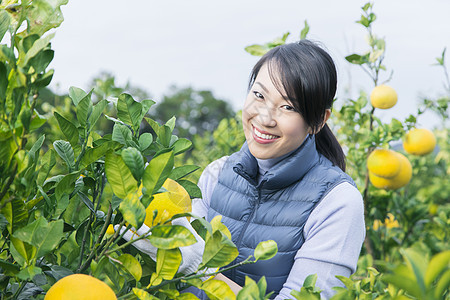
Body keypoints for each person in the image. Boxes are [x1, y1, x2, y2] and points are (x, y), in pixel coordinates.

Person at [123, 40, 365, 299]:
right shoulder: (217, 175)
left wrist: (201, 270)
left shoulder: (337, 203)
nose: (264, 118)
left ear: (318, 121)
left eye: (288, 107)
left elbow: (192, 261)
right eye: (259, 95)